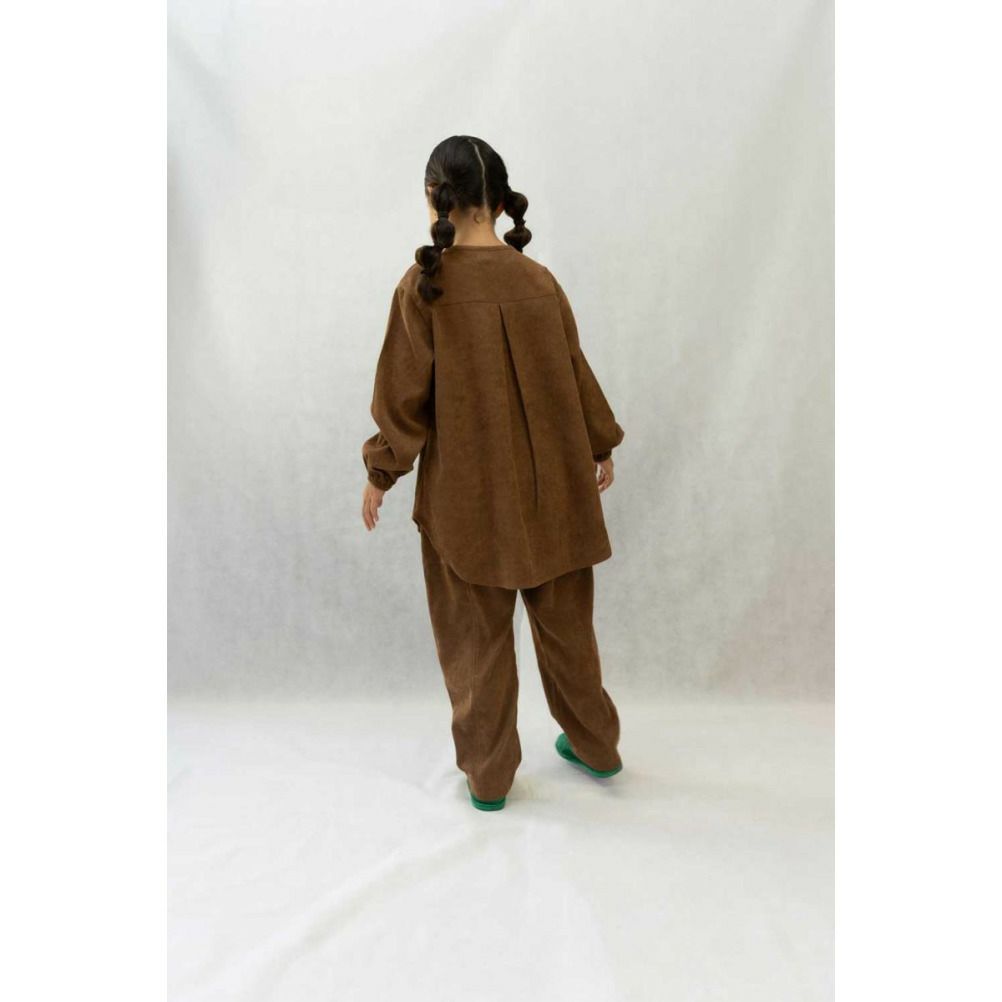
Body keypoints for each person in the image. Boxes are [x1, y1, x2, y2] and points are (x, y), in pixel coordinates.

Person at [360, 135, 625, 812]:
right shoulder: (539, 281)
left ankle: (489, 777)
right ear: (501, 202)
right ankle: (597, 746)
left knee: (474, 641)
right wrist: (600, 444)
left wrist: (382, 471)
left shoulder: (425, 286)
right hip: (558, 491)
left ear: (435, 198)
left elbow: (402, 398)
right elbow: (576, 369)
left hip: (468, 502)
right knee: (569, 634)